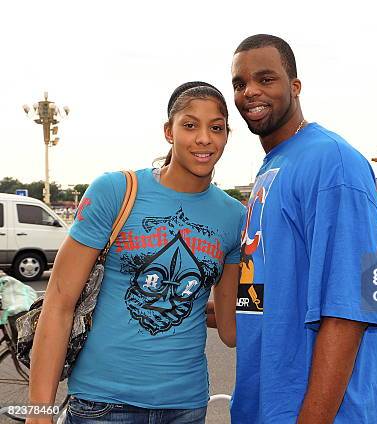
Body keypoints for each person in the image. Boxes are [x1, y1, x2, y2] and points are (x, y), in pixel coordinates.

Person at [26, 82, 244, 424]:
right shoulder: (115, 191)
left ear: (226, 135)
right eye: (190, 125)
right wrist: (39, 411)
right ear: (168, 132)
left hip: (184, 406)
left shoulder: (234, 217)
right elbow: (59, 301)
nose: (204, 138)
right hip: (102, 404)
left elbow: (230, 329)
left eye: (216, 127)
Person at [230, 34, 377, 423]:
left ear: (295, 86)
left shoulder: (335, 163)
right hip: (269, 403)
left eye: (265, 79)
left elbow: (354, 304)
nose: (250, 91)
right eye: (240, 84)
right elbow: (271, 287)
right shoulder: (274, 164)